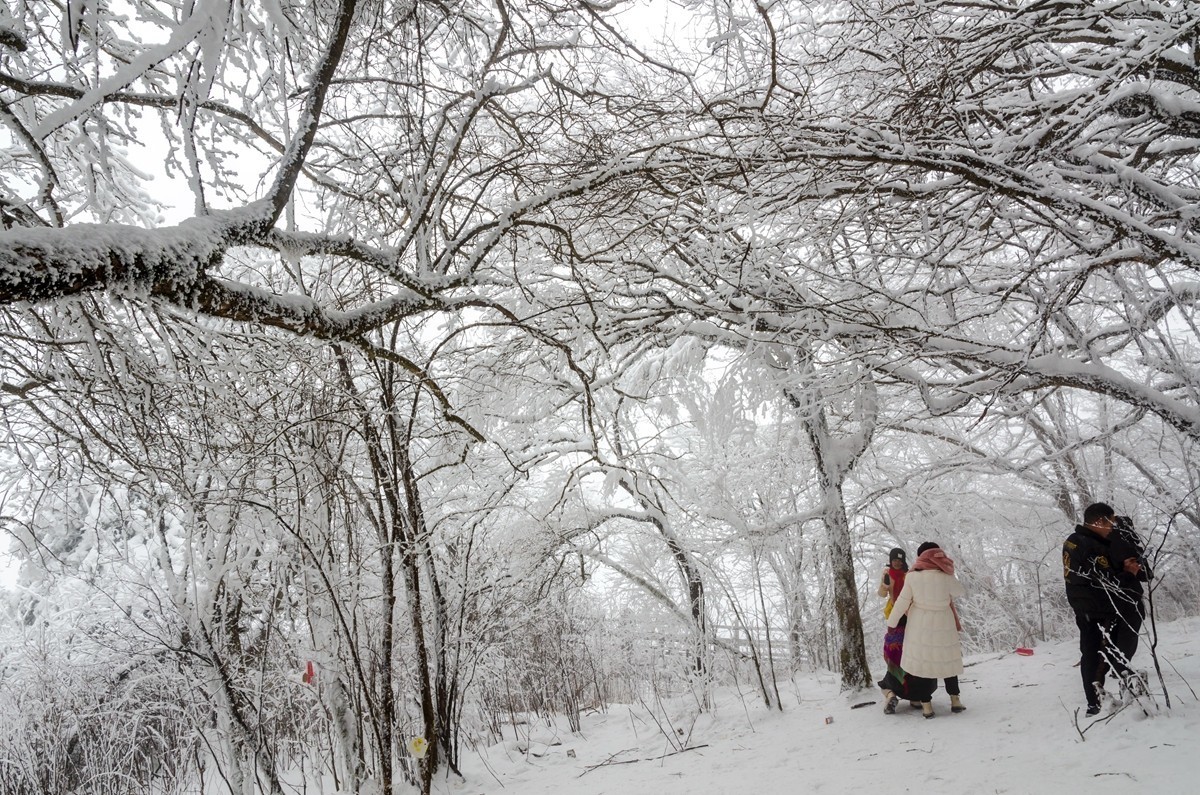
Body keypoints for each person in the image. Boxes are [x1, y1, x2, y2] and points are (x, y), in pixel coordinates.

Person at [1063, 502, 1143, 715]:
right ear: (1099, 521)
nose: (1112, 528)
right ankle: (1095, 703)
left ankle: (1097, 700)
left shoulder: (1074, 541)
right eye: (1110, 522)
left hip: (1085, 606)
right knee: (1095, 655)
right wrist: (1129, 573)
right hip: (1098, 608)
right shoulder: (1090, 546)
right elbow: (1106, 582)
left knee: (1092, 653)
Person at [885, 542, 966, 718]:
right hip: (944, 622)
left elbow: (901, 602)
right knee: (947, 661)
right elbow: (960, 591)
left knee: (922, 665)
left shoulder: (913, 577)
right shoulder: (945, 576)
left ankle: (927, 706)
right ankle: (955, 700)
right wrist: (949, 571)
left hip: (919, 624)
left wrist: (892, 624)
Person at [1107, 515, 1152, 692]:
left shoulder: (1101, 547)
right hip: (1130, 597)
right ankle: (1121, 669)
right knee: (1129, 635)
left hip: (1110, 600)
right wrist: (1135, 568)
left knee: (1117, 635)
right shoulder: (1131, 547)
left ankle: (1116, 667)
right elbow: (1147, 575)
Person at [877, 547, 909, 618]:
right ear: (891, 561)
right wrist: (885, 587)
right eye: (894, 560)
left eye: (899, 560)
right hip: (894, 608)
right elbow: (882, 595)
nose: (897, 563)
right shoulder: (887, 574)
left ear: (903, 562)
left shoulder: (909, 574)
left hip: (909, 609)